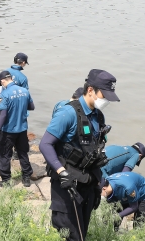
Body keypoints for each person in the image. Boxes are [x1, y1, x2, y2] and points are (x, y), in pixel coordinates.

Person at [39, 69, 120, 241]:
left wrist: (98, 185)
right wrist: (61, 172)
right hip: (67, 183)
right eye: (103, 95)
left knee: (82, 233)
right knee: (71, 236)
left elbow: (95, 152)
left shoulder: (99, 117)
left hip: (88, 184)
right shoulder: (68, 113)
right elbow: (45, 144)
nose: (106, 100)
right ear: (90, 90)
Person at [0, 70, 35, 187]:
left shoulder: (5, 94)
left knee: (4, 155)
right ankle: (26, 178)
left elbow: (3, 114)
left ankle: (6, 180)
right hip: (22, 129)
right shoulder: (25, 91)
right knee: (23, 153)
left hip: (8, 130)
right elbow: (32, 107)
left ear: (2, 81)